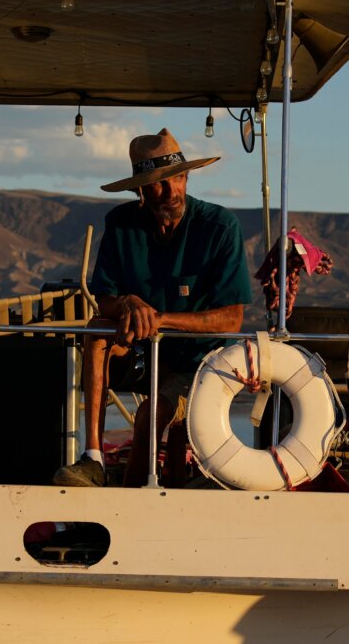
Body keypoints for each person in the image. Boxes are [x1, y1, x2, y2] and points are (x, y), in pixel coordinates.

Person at [51, 129, 252, 486]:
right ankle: (93, 458)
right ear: (140, 191)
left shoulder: (220, 227)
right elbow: (106, 298)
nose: (171, 191)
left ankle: (130, 500)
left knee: (149, 414)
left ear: (187, 176)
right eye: (158, 184)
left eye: (176, 178)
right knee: (96, 331)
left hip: (199, 365)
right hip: (143, 353)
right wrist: (128, 303)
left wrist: (158, 319)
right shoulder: (121, 224)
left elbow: (231, 318)